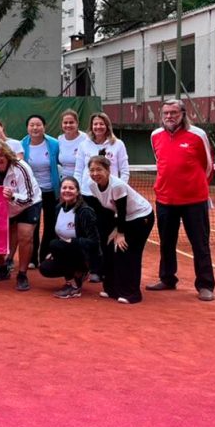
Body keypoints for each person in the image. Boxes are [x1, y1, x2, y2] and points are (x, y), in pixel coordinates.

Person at [147, 99, 215, 301]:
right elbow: (161, 162)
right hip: (165, 200)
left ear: (183, 114)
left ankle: (205, 285)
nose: (169, 116)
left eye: (174, 113)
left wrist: (195, 187)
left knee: (200, 244)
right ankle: (167, 278)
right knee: (166, 243)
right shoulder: (155, 135)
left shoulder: (198, 135)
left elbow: (208, 166)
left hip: (194, 201)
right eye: (166, 113)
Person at [87, 155, 154, 304]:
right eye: (92, 170)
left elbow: (122, 210)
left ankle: (132, 294)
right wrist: (113, 230)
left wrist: (120, 233)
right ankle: (112, 289)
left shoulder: (117, 186)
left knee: (128, 252)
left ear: (108, 170)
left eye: (99, 169)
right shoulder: (92, 185)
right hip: (123, 219)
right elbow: (107, 210)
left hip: (141, 217)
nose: (95, 173)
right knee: (109, 249)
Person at [74, 111, 129, 284]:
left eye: (101, 124)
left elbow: (124, 170)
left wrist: (119, 191)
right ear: (91, 127)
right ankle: (93, 269)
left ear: (107, 126)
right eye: (95, 124)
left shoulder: (118, 144)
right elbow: (78, 170)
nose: (98, 127)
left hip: (108, 197)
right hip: (87, 195)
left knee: (106, 233)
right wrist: (77, 191)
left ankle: (107, 269)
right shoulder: (84, 145)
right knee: (90, 233)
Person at [0, 141, 41, 292]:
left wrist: (12, 196)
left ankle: (22, 274)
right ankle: (2, 268)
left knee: (25, 235)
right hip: (2, 206)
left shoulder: (21, 167)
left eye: (1, 156)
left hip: (28, 204)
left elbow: (29, 197)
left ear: (8, 155)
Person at [37, 177, 100, 299]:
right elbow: (58, 233)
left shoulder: (85, 211)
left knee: (55, 244)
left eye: (71, 188)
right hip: (66, 251)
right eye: (64, 188)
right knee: (45, 268)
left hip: (85, 254)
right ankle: (77, 274)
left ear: (77, 192)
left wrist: (73, 242)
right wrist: (55, 252)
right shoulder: (58, 208)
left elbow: (94, 242)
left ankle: (75, 285)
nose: (67, 190)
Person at [21, 114, 61, 267]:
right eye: (31, 125)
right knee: (33, 225)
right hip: (32, 192)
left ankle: (44, 257)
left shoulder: (54, 144)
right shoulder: (22, 144)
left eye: (38, 125)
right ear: (27, 128)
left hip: (51, 191)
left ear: (44, 127)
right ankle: (31, 259)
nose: (35, 128)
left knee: (51, 225)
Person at [57, 109, 87, 180]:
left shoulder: (85, 138)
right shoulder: (60, 139)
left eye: (71, 122)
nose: (68, 125)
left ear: (77, 123)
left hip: (82, 180)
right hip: (64, 180)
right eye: (65, 123)